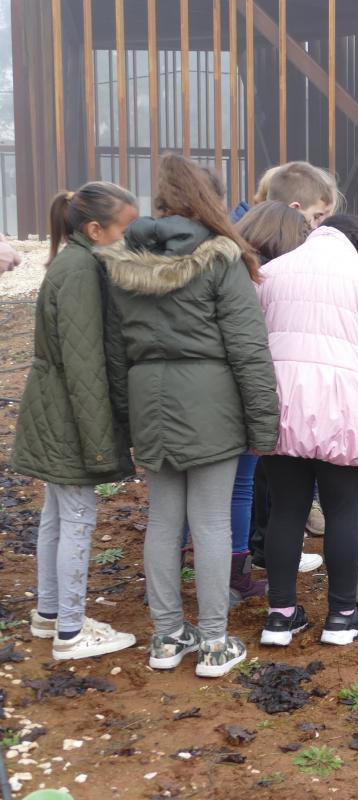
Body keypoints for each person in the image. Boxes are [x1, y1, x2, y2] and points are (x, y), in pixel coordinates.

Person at [102, 154, 279, 678]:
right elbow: (249, 349)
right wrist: (263, 423)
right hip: (210, 401)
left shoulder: (121, 260)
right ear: (211, 202)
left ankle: (165, 637)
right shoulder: (222, 257)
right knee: (209, 521)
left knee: (162, 520)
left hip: (147, 398)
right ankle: (215, 644)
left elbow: (114, 351)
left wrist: (123, 417)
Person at [255, 214, 358, 647]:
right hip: (347, 410)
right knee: (343, 511)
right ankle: (342, 617)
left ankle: (280, 616)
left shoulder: (270, 272)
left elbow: (251, 343)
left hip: (280, 407)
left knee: (286, 509)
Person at [13, 183, 139, 661]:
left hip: (53, 407)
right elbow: (86, 368)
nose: (130, 237)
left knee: (57, 516)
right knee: (79, 519)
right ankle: (70, 631)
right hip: (70, 414)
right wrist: (100, 445)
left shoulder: (73, 262)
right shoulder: (84, 270)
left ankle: (50, 614)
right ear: (95, 229)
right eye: (125, 229)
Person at [224, 202, 312, 604]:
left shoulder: (227, 263)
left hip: (209, 393)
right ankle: (235, 573)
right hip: (243, 395)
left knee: (197, 494)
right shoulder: (259, 276)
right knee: (241, 487)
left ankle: (177, 575)